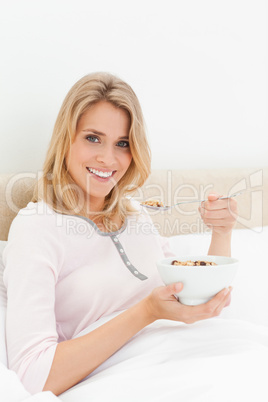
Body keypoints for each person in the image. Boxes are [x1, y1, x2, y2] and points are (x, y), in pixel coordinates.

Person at [3, 72, 237, 396]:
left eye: (123, 143)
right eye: (93, 138)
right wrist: (145, 312)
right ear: (65, 138)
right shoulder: (37, 226)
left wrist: (221, 232)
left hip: (205, 354)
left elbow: (192, 301)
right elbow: (32, 376)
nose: (108, 158)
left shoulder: (137, 214)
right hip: (137, 380)